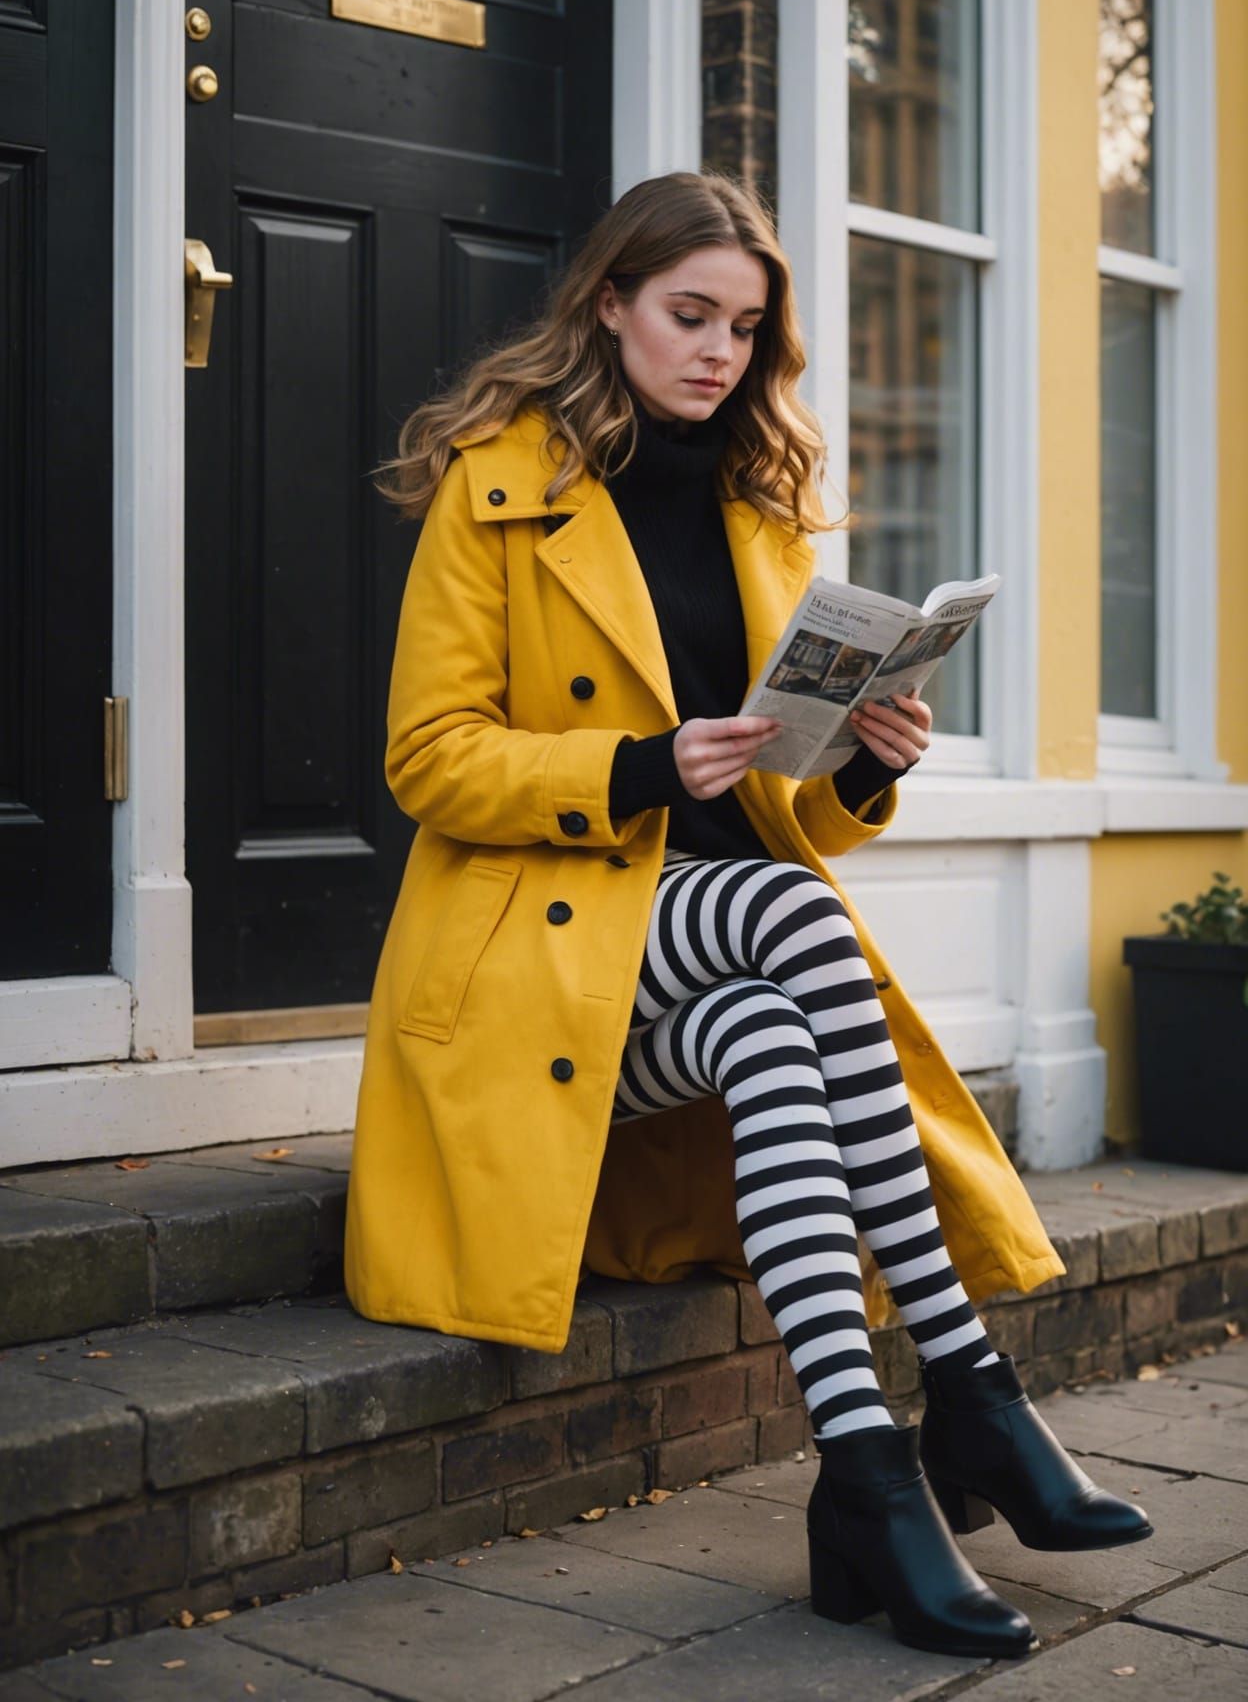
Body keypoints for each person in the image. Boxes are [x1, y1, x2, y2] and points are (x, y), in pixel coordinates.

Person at [343, 171, 1151, 1661]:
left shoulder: (760, 503)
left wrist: (866, 764)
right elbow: (427, 760)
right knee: (790, 922)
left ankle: (864, 1474)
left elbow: (787, 811)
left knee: (775, 1025)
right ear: (611, 304)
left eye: (745, 328)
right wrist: (640, 767)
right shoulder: (497, 485)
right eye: (689, 314)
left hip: (704, 968)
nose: (719, 351)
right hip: (537, 965)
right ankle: (971, 1389)